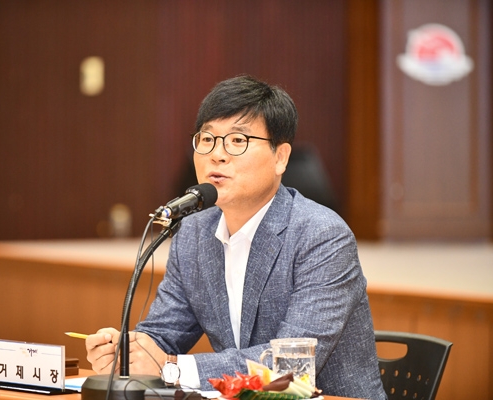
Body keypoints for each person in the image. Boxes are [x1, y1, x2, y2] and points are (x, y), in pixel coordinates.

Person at [86, 75, 386, 399]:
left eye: (238, 140)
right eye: (207, 139)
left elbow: (289, 369)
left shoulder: (322, 236)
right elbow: (163, 335)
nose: (217, 155)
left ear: (280, 158)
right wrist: (127, 353)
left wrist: (171, 368)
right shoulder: (194, 232)